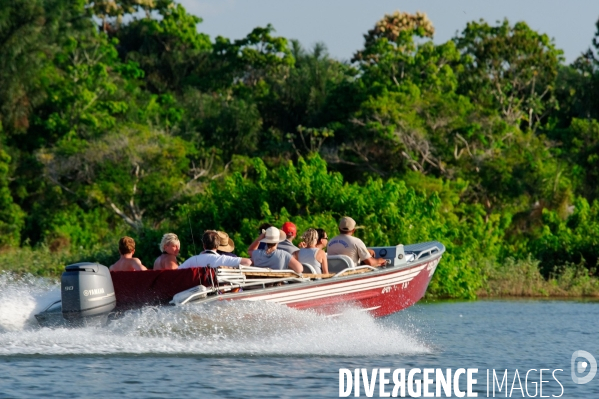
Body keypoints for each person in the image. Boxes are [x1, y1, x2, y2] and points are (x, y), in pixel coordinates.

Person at [179, 230, 251, 269]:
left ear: (203, 245)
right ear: (217, 246)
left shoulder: (192, 260)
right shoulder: (222, 259)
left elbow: (176, 271)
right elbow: (248, 262)